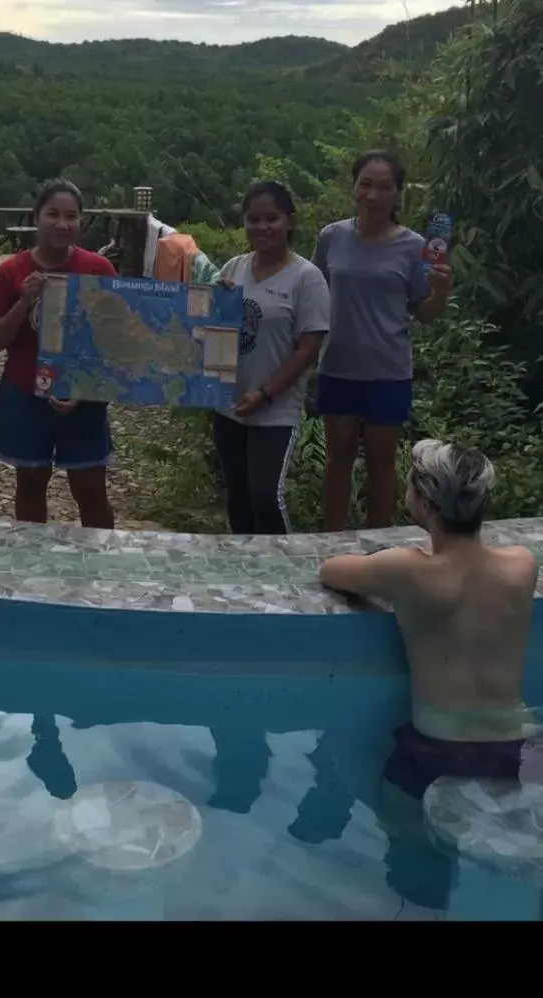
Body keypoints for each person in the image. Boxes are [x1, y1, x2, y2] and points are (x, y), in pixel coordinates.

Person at [320, 440, 542, 806]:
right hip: (520, 745)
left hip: (439, 748)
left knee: (404, 849)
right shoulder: (521, 565)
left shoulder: (405, 569)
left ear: (423, 502)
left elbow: (330, 571)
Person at [313, 150, 452, 531]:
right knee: (338, 456)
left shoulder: (414, 246)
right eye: (365, 185)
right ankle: (332, 541)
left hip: (388, 369)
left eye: (384, 187)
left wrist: (440, 293)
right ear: (354, 187)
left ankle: (377, 544)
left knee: (381, 460)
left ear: (397, 194)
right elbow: (315, 296)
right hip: (338, 364)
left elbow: (423, 312)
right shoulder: (331, 238)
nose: (373, 195)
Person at [0, 179, 117, 528]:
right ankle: (33, 560)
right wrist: (25, 301)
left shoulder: (99, 270)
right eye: (53, 214)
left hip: (83, 393)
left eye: (71, 216)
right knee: (30, 482)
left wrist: (82, 387)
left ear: (81, 222)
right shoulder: (11, 271)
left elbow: (114, 339)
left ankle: (102, 561)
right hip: (24, 390)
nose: (62, 224)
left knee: (89, 486)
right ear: (37, 217)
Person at [212, 181, 330, 535]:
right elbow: (209, 329)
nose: (263, 228)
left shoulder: (306, 278)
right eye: (254, 219)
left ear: (290, 222)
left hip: (275, 410)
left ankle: (285, 569)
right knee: (238, 495)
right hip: (228, 405)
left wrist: (266, 393)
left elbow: (308, 348)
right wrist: (213, 300)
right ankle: (245, 572)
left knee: (266, 496)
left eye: (272, 219)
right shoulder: (233, 269)